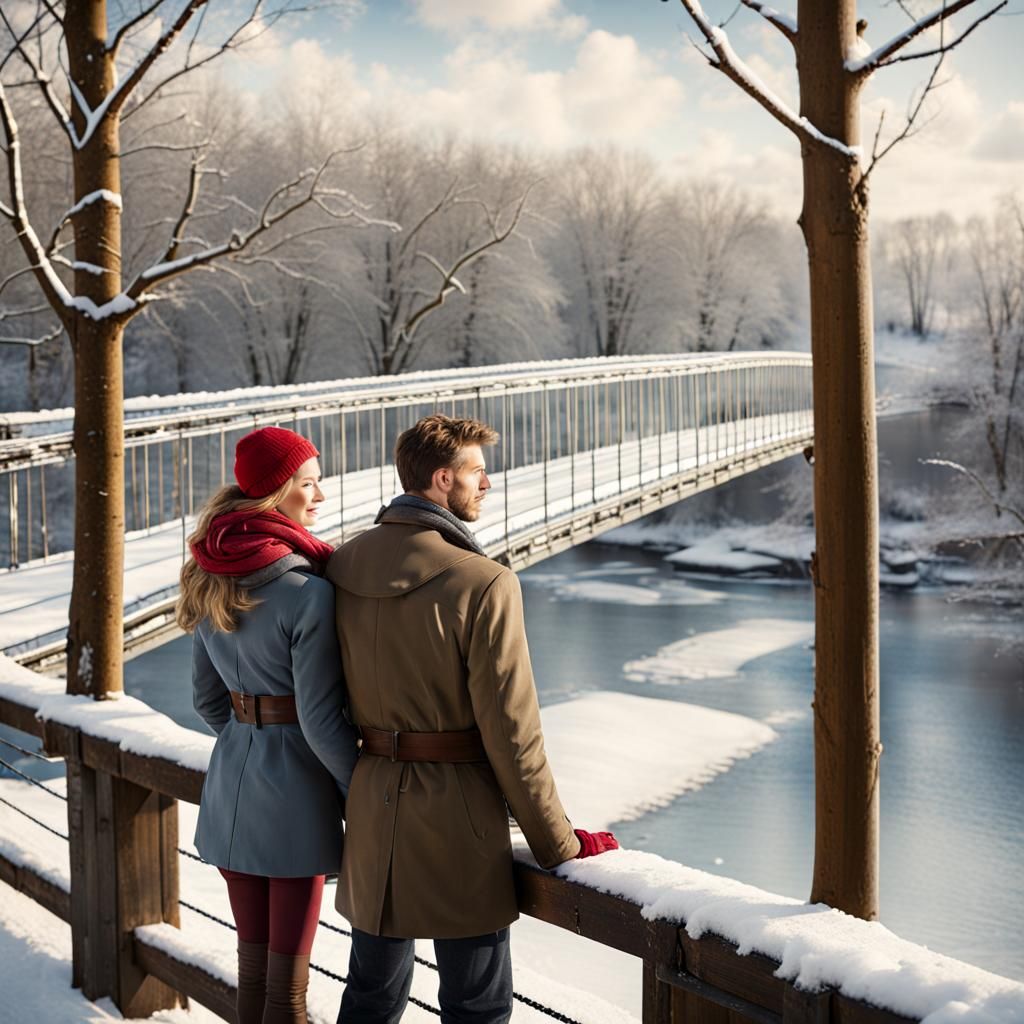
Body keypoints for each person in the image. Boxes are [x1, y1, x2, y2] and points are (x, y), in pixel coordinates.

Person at [326, 414, 618, 1024]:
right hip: (460, 820)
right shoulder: (484, 582)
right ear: (442, 480)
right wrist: (557, 842)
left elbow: (320, 700)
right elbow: (513, 732)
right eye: (478, 473)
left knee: (370, 999)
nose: (488, 484)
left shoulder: (341, 566)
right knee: (477, 1007)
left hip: (374, 805)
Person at [177, 426, 359, 1024]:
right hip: (296, 798)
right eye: (310, 484)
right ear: (275, 494)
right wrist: (360, 789)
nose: (321, 497)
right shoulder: (309, 592)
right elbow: (320, 718)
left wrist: (248, 738)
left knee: (252, 978)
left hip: (231, 788)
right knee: (289, 998)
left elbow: (208, 699)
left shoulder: (210, 573)